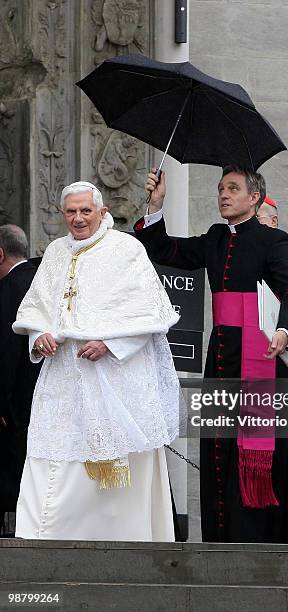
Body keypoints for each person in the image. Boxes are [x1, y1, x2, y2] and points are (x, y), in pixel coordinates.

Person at [134, 165, 288, 543]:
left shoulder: (273, 240)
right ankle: (217, 533)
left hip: (258, 352)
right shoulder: (215, 237)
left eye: (232, 188)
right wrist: (157, 204)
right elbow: (167, 250)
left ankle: (254, 535)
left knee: (251, 446)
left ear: (254, 197)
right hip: (221, 354)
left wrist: (285, 330)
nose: (223, 195)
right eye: (219, 189)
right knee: (217, 445)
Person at [12, 181, 181, 542]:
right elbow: (36, 308)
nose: (78, 218)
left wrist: (110, 342)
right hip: (63, 375)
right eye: (70, 212)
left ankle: (119, 541)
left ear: (102, 212)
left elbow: (151, 315)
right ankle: (45, 536)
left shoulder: (127, 249)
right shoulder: (56, 252)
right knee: (53, 452)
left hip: (113, 378)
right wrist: (37, 335)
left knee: (111, 474)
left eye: (85, 210)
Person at [0, 225, 41, 535]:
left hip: (16, 407)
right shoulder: (43, 280)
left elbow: (5, 352)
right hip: (47, 397)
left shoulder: (9, 287)